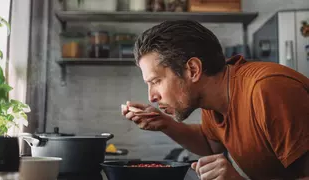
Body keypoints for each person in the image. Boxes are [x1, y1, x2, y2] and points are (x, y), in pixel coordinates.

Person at [121, 20, 309, 180]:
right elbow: (210, 144)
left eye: (156, 81)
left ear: (193, 70)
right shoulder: (213, 98)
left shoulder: (268, 90)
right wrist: (165, 124)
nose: (151, 97)